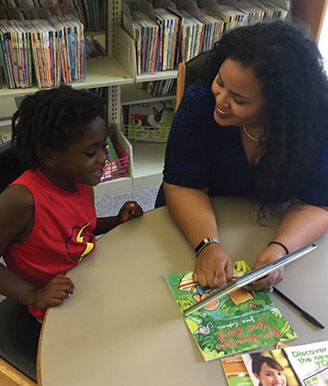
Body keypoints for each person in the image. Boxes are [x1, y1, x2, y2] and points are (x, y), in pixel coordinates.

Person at [155, 20, 328, 290]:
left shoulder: (315, 122)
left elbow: (317, 202)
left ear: (278, 108)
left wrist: (280, 250)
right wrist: (207, 245)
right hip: (191, 221)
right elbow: (182, 185)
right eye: (220, 82)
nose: (221, 100)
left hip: (265, 224)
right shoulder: (200, 102)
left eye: (240, 99)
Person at [0, 86, 143, 321]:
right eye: (90, 153)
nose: (103, 159)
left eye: (103, 146)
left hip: (87, 280)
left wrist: (116, 221)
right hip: (54, 308)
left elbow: (77, 230)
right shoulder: (22, 200)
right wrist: (34, 295)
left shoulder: (81, 181)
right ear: (49, 156)